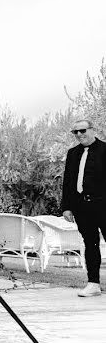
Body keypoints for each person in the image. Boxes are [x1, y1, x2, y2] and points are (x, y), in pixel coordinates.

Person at [61, 119, 106, 297]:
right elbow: (68, 182)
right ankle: (93, 284)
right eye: (76, 132)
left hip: (103, 205)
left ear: (92, 130)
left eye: (83, 130)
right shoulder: (73, 153)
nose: (80, 135)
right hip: (82, 207)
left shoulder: (104, 150)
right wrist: (66, 207)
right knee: (90, 244)